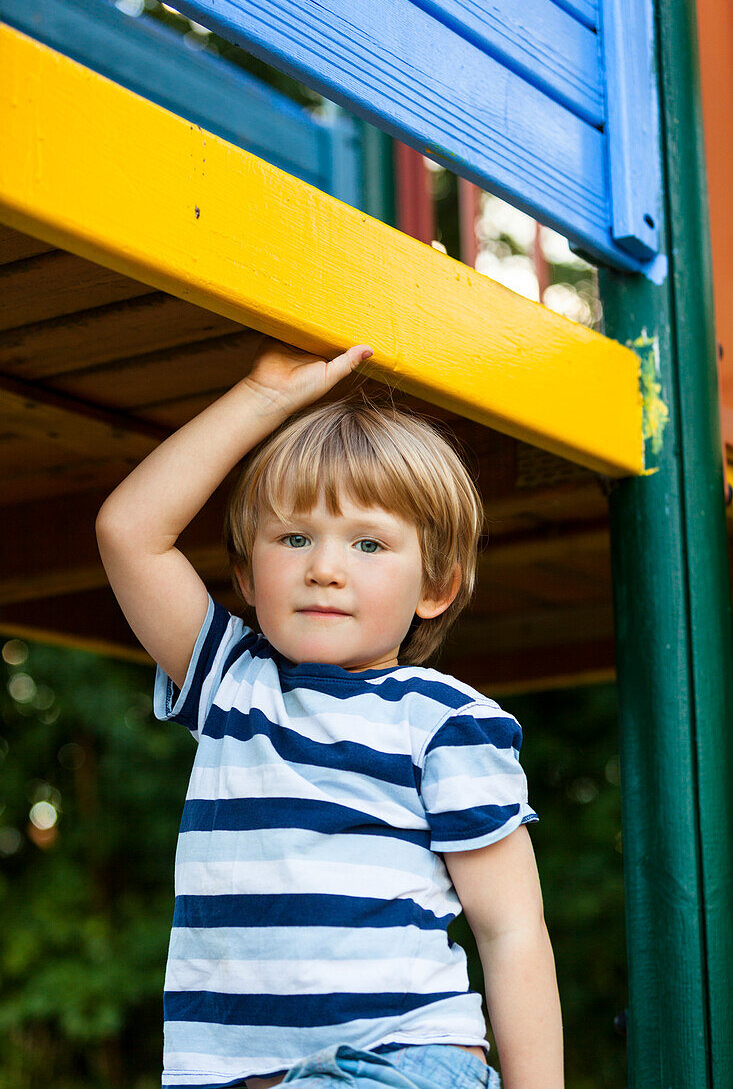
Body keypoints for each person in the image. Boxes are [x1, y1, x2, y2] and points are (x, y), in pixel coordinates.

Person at [96, 337, 564, 1089]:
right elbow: (130, 532)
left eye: (370, 542)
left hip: (399, 1061)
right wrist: (262, 398)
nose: (324, 565)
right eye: (294, 536)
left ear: (434, 587)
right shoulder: (230, 683)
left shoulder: (443, 720)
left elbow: (509, 929)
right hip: (230, 1073)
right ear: (247, 573)